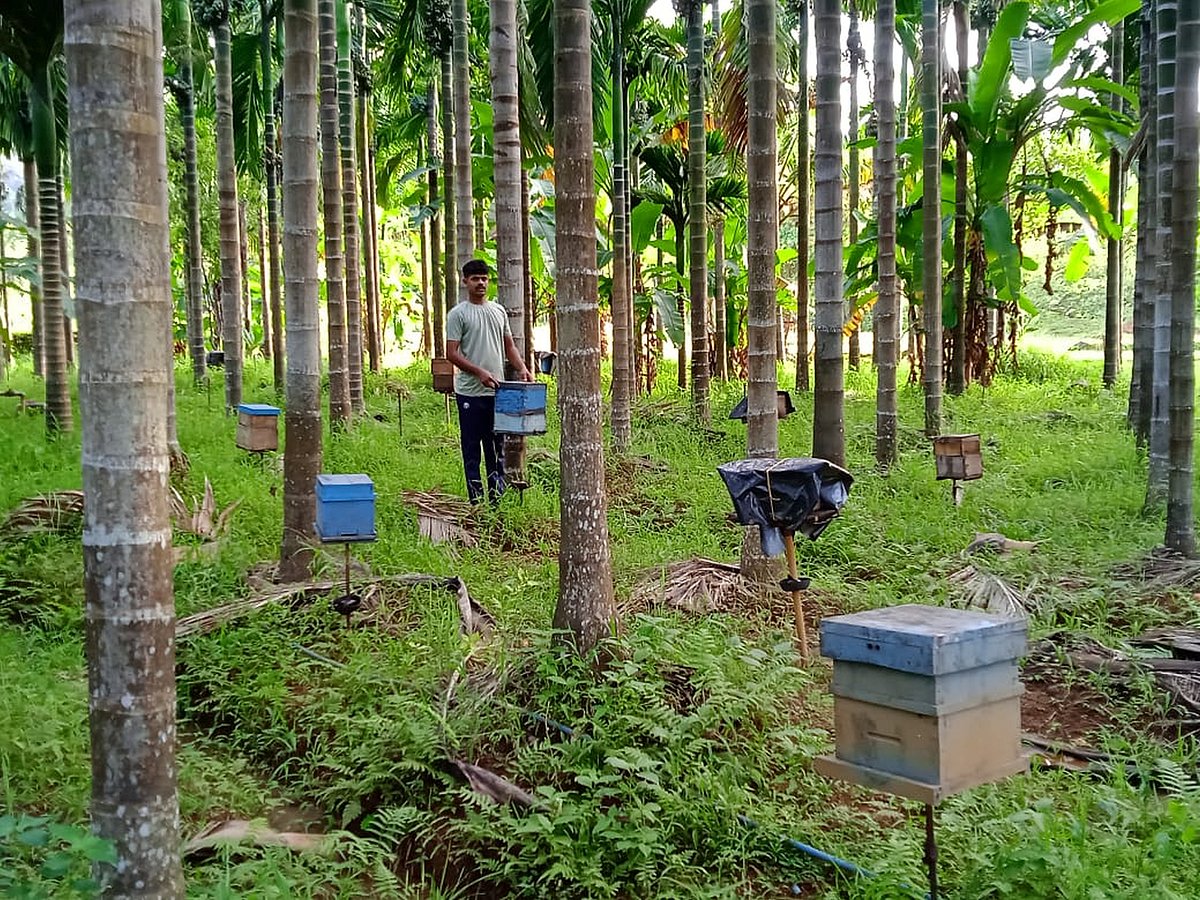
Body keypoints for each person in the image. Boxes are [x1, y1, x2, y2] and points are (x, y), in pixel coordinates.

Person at [445, 259, 533, 504]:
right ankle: (476, 501)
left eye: (484, 278)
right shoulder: (458, 315)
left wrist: (523, 369)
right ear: (465, 282)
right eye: (475, 279)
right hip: (470, 394)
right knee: (472, 450)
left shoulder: (498, 311)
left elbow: (509, 346)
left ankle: (496, 500)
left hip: (497, 393)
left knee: (496, 448)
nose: (481, 283)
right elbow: (451, 353)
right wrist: (479, 373)